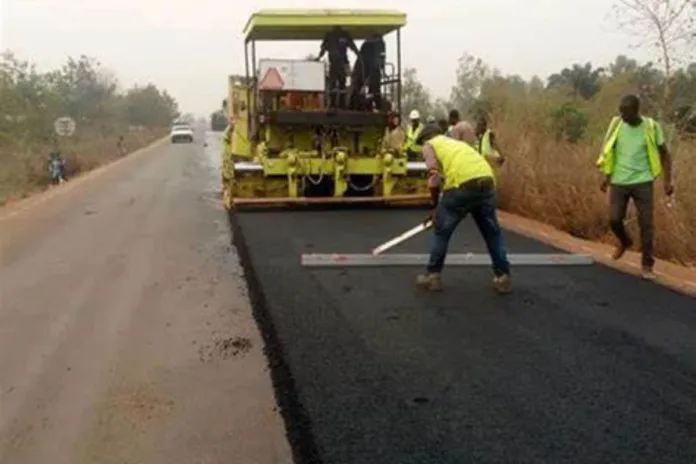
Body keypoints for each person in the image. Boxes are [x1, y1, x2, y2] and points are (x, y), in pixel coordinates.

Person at [416, 122, 512, 294]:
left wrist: (436, 209)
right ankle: (503, 277)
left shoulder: (429, 145)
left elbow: (434, 177)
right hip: (487, 182)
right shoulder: (457, 145)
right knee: (492, 233)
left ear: (425, 138)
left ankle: (432, 276)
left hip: (463, 185)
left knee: (441, 231)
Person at [596, 94, 674, 279]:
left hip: (643, 181)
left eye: (626, 113)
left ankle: (647, 264)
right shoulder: (616, 125)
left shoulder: (651, 127)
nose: (622, 116)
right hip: (620, 181)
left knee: (646, 224)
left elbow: (665, 154)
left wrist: (667, 180)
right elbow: (610, 151)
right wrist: (607, 177)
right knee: (614, 219)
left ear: (636, 111)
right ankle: (625, 241)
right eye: (621, 112)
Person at [317, 26, 359, 109]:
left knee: (338, 84)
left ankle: (337, 104)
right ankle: (338, 104)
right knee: (339, 84)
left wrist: (319, 57)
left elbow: (324, 48)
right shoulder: (336, 35)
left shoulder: (337, 35)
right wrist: (358, 54)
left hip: (339, 64)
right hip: (338, 64)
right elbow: (352, 46)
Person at [350, 32, 386, 111]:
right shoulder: (378, 45)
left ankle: (356, 106)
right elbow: (380, 60)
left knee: (369, 89)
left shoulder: (369, 45)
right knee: (373, 89)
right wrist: (382, 70)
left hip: (366, 71)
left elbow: (380, 59)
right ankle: (374, 106)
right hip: (367, 70)